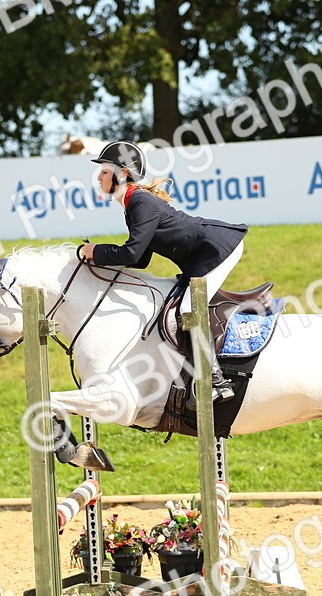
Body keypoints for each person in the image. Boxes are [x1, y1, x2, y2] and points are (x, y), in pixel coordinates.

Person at [81, 140, 248, 407]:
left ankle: (215, 382)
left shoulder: (139, 200)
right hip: (201, 255)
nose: (98, 177)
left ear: (122, 173)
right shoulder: (132, 202)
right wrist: (98, 259)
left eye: (103, 171)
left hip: (216, 249)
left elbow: (132, 254)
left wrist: (96, 251)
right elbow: (143, 259)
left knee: (188, 309)